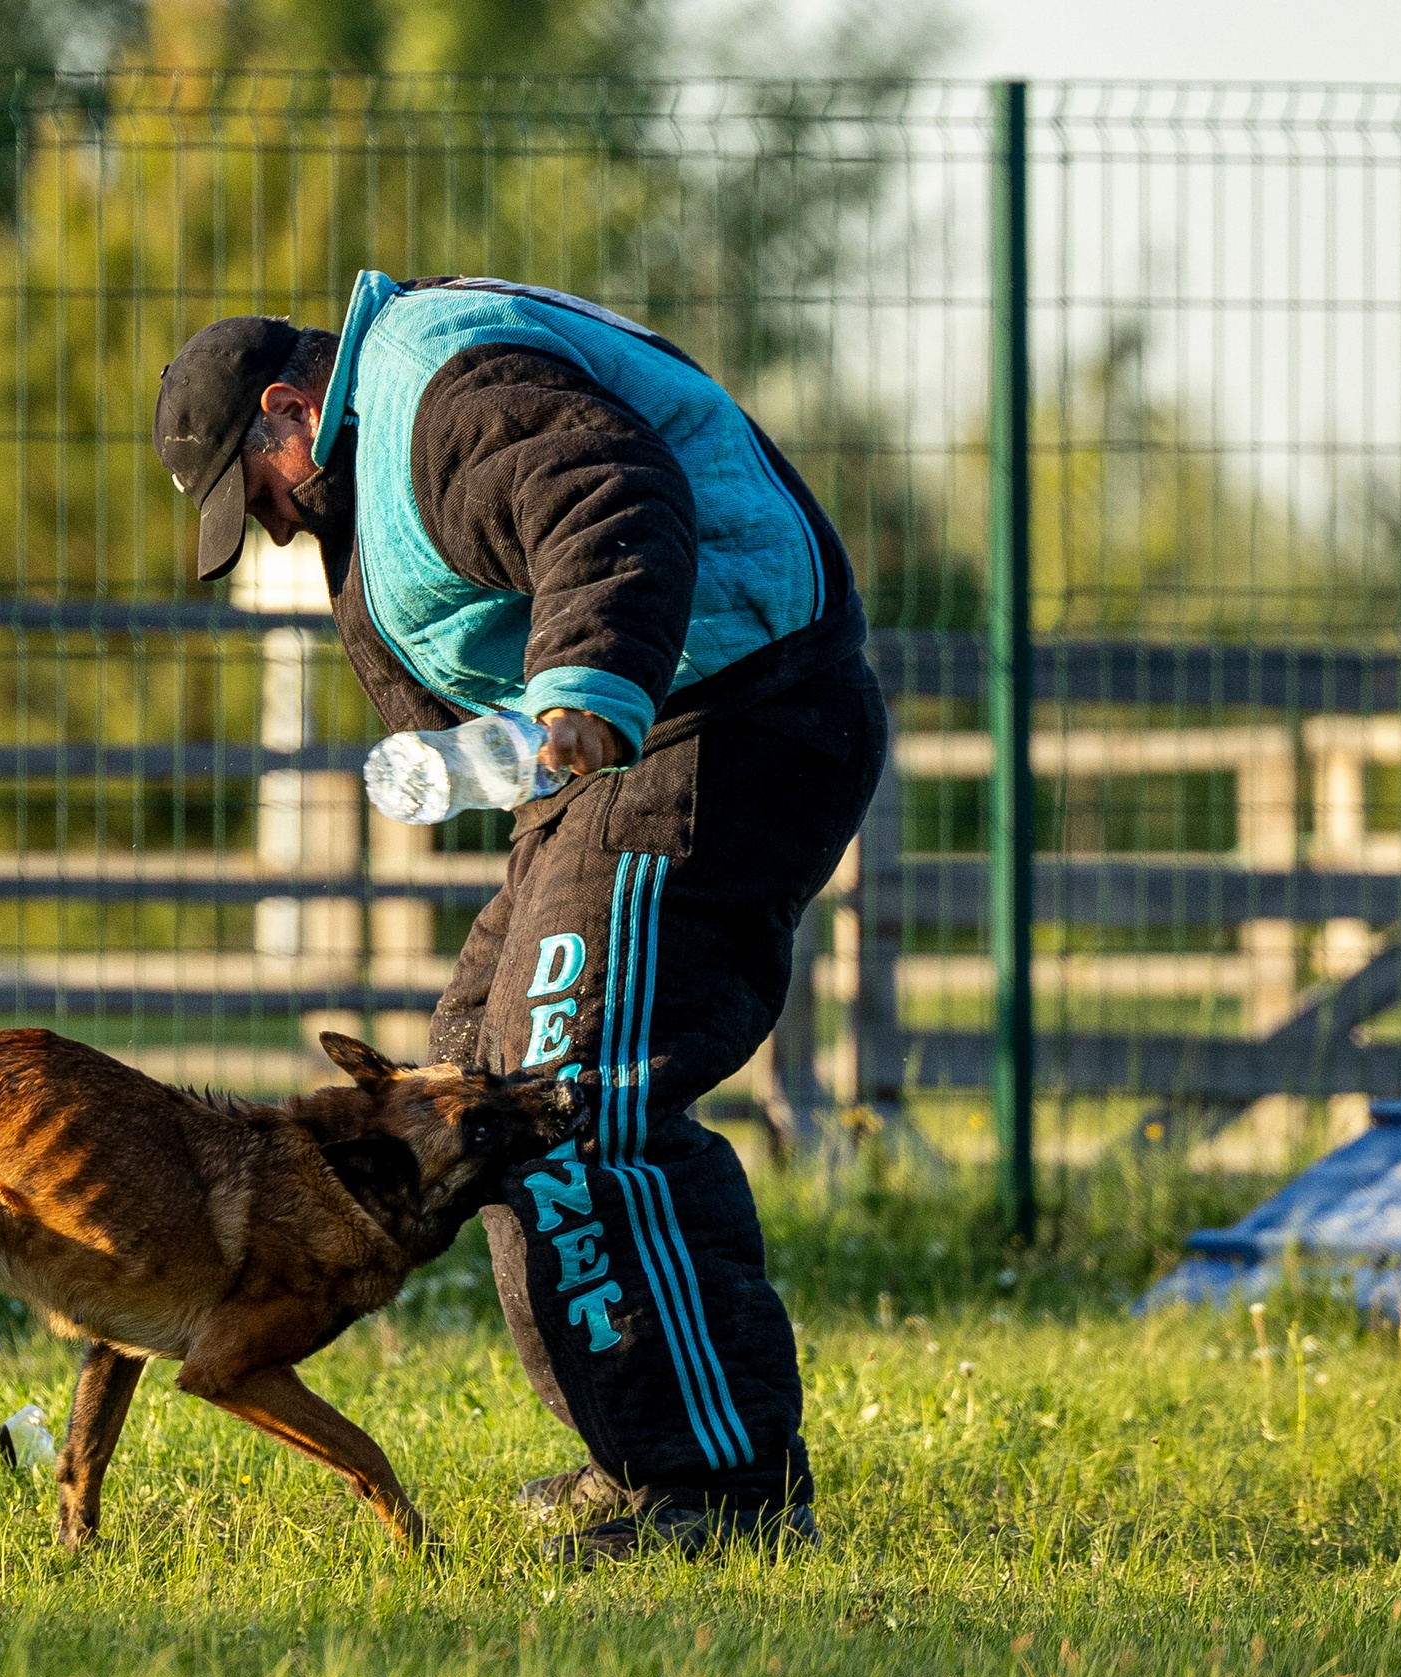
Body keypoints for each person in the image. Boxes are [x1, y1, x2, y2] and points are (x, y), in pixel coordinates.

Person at [151, 274, 888, 1561]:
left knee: (568, 1089)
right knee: (473, 1095)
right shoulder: (384, 427)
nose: (267, 528)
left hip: (716, 723)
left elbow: (601, 491)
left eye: (253, 488)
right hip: (623, 748)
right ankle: (640, 1451)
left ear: (289, 408)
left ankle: (721, 1491)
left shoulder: (440, 386)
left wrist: (585, 688)